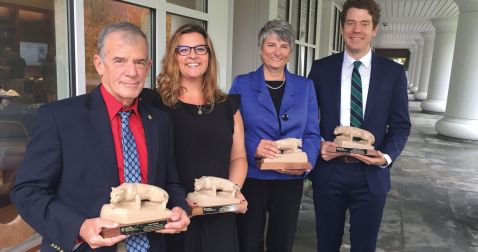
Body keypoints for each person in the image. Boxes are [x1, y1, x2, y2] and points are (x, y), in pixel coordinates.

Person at [10, 22, 190, 252]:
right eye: (119, 60)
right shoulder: (60, 118)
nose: (132, 72)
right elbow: (27, 191)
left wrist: (180, 208)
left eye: (139, 62)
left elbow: (170, 182)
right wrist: (79, 227)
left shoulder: (160, 122)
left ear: (148, 67)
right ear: (99, 64)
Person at [308, 0, 411, 251]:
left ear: (374, 29)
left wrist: (385, 156)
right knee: (326, 244)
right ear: (342, 28)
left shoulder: (393, 73)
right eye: (351, 23)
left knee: (365, 246)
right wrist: (319, 145)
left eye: (364, 23)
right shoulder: (321, 68)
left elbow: (400, 125)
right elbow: (308, 117)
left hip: (371, 176)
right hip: (329, 171)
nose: (357, 29)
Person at [140, 24, 248, 252]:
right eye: (184, 49)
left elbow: (238, 158)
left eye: (200, 49)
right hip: (174, 217)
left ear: (209, 56)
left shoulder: (228, 106)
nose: (193, 55)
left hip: (219, 216)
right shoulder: (154, 103)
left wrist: (232, 191)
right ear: (173, 56)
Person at [229, 19, 320, 252]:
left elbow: (312, 132)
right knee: (247, 240)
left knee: (283, 241)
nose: (277, 52)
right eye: (271, 45)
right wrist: (253, 147)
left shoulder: (306, 86)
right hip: (253, 177)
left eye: (283, 46)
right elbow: (231, 129)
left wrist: (304, 163)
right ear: (261, 49)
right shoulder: (242, 84)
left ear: (290, 52)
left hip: (290, 180)